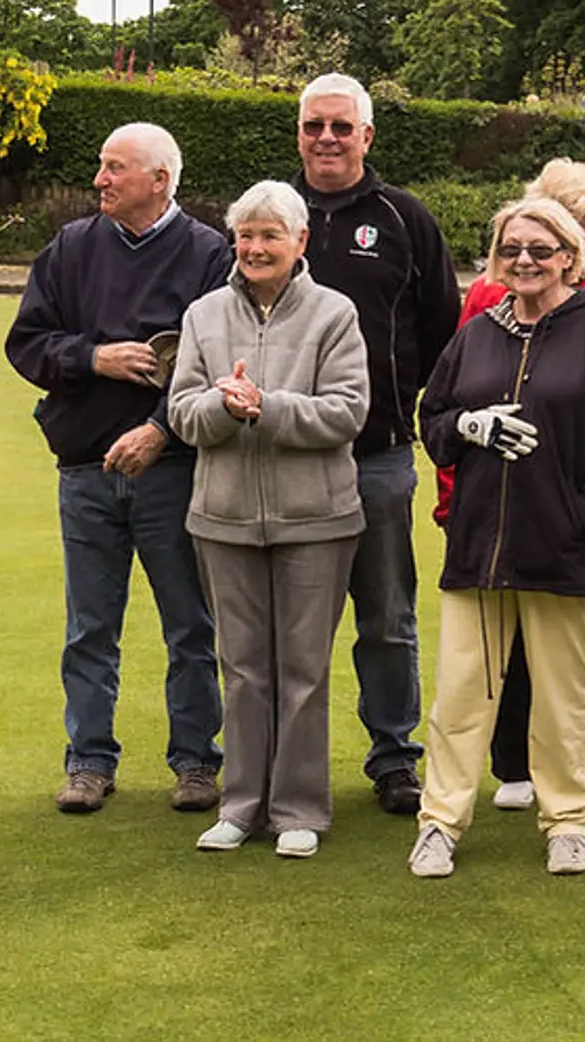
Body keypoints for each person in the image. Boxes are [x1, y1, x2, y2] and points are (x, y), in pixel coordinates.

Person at [408, 197, 585, 878]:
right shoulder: (477, 331)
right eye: (512, 248)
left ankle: (568, 822)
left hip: (566, 552)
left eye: (540, 250)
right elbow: (434, 418)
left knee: (563, 698)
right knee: (461, 695)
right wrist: (466, 427)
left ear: (570, 256)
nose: (525, 261)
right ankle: (440, 822)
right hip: (479, 549)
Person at [6, 122, 231, 815]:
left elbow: (219, 361)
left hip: (173, 470)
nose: (99, 179)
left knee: (190, 626)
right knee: (90, 627)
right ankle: (89, 761)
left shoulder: (208, 255)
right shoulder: (71, 249)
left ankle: (196, 761)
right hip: (85, 470)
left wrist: (159, 430)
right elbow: (27, 343)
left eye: (115, 169)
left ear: (160, 180)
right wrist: (92, 357)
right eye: (102, 167)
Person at [168, 181, 369, 861]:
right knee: (244, 668)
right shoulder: (202, 315)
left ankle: (299, 809)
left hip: (317, 518)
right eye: (246, 235)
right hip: (222, 517)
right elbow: (182, 414)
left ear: (300, 242)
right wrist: (224, 407)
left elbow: (348, 412)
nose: (255, 248)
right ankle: (241, 805)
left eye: (270, 235)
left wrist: (267, 407)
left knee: (304, 670)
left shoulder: (335, 314)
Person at [291, 72, 463, 814]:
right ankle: (284, 760)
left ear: (367, 135)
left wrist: (394, 399)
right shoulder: (271, 212)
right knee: (286, 623)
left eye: (340, 126)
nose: (326, 138)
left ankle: (394, 757)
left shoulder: (403, 218)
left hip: (377, 454)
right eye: (312, 126)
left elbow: (441, 330)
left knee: (386, 616)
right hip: (284, 454)